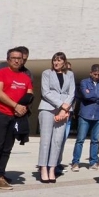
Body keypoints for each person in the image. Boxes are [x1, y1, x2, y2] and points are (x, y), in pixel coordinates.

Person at [0, 48, 33, 191]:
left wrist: (22, 108)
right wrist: (15, 105)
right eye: (14, 58)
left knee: (7, 147)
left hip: (16, 116)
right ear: (8, 60)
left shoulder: (26, 78)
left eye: (20, 58)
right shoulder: (0, 73)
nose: (17, 60)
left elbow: (29, 94)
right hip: (0, 113)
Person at [37, 52, 75, 183]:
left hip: (64, 111)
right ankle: (43, 168)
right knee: (46, 140)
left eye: (59, 60)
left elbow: (72, 92)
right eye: (54, 60)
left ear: (64, 62)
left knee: (58, 140)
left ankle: (52, 168)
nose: (56, 63)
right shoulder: (46, 73)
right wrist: (61, 104)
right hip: (48, 108)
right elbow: (45, 92)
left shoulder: (70, 74)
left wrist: (65, 109)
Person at [72, 64, 99, 172]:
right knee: (80, 140)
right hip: (85, 115)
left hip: (98, 115)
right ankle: (75, 162)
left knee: (95, 140)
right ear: (90, 73)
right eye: (95, 74)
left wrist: (93, 95)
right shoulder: (84, 82)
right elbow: (85, 95)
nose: (97, 76)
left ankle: (93, 162)